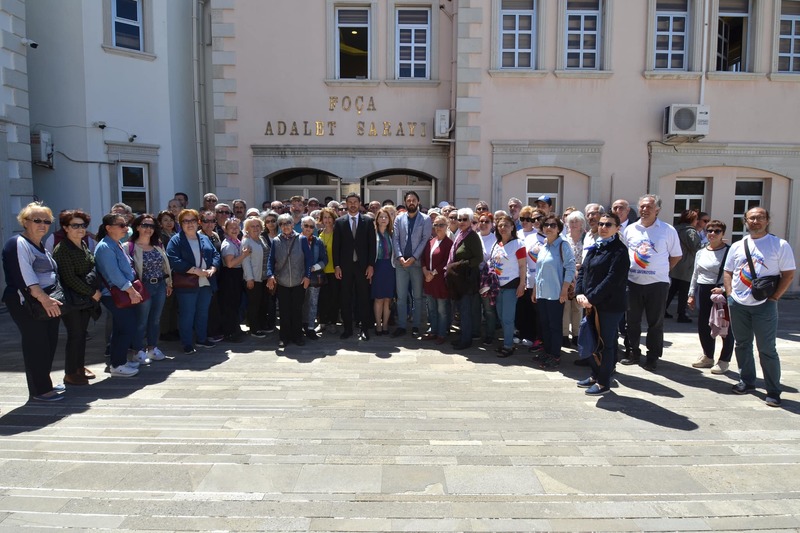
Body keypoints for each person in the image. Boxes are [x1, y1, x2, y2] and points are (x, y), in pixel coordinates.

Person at [723, 207, 795, 408]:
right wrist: (730, 295)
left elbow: (789, 274)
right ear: (745, 221)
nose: (756, 221)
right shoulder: (738, 246)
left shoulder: (779, 245)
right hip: (738, 304)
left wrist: (774, 298)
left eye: (760, 218)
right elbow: (728, 271)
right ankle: (747, 381)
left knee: (767, 349)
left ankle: (773, 391)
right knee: (742, 344)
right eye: (752, 218)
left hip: (764, 305)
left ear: (767, 220)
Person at [2, 202, 66, 400]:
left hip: (46, 301)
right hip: (28, 302)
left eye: (47, 221)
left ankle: (44, 382)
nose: (42, 225)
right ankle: (40, 389)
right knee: (36, 344)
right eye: (37, 220)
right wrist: (44, 299)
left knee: (48, 342)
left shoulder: (40, 245)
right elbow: (24, 275)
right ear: (25, 222)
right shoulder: (17, 243)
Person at [620, 194, 682, 372]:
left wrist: (663, 269)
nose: (645, 210)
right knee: (632, 321)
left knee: (655, 323)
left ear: (657, 210)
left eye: (649, 206)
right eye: (642, 206)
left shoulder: (667, 230)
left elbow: (676, 255)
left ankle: (652, 357)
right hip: (633, 282)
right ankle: (633, 352)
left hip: (657, 284)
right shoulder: (630, 229)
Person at [575, 213, 630, 395]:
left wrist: (591, 298)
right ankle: (595, 374)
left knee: (606, 344)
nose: (603, 228)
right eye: (601, 224)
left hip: (609, 306)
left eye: (608, 224)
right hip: (590, 304)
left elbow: (612, 280)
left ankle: (603, 382)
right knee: (590, 340)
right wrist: (579, 293)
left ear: (617, 228)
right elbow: (583, 271)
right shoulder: (595, 247)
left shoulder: (619, 251)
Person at [52, 209, 101, 386]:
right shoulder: (62, 249)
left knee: (81, 335)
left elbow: (91, 266)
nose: (80, 229)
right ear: (65, 228)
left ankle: (79, 367)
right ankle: (70, 373)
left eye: (83, 225)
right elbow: (69, 278)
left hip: (84, 300)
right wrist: (92, 293)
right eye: (75, 225)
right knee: (75, 335)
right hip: (72, 299)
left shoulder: (83, 244)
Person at [94, 213, 144, 377]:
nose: (126, 228)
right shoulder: (105, 247)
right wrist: (132, 291)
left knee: (120, 328)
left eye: (126, 224)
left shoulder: (117, 244)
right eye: (121, 225)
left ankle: (119, 360)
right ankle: (118, 365)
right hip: (115, 294)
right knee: (127, 327)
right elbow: (114, 274)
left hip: (122, 292)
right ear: (109, 228)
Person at [166, 209, 221, 355]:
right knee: (187, 314)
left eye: (192, 221)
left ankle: (201, 339)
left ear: (198, 223)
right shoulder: (176, 240)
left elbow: (215, 254)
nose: (189, 224)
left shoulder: (204, 238)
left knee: (203, 313)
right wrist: (195, 270)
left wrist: (213, 268)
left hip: (206, 282)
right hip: (187, 283)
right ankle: (187, 343)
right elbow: (173, 259)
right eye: (185, 221)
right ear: (180, 224)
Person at [687, 219, 734, 374]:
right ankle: (708, 356)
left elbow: (734, 274)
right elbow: (695, 274)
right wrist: (691, 294)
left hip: (720, 292)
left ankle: (724, 360)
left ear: (723, 234)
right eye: (709, 230)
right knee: (704, 325)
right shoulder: (701, 251)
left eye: (717, 231)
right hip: (703, 290)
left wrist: (724, 289)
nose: (712, 233)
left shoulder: (729, 252)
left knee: (724, 327)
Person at [533, 214, 576, 369]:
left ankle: (555, 355)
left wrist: (564, 290)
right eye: (546, 225)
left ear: (559, 229)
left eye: (553, 225)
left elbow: (570, 268)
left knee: (554, 326)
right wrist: (535, 290)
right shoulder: (544, 246)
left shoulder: (563, 245)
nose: (549, 228)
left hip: (556, 293)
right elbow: (539, 271)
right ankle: (547, 351)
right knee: (544, 325)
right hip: (542, 293)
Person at [129, 214, 172, 363]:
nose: (149, 229)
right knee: (141, 320)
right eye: (145, 225)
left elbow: (165, 266)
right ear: (137, 227)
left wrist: (168, 283)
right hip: (143, 286)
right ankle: (138, 350)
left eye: (152, 226)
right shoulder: (130, 246)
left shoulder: (158, 245)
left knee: (155, 319)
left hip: (160, 285)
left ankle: (152, 348)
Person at [333, 193, 376, 340]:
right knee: (345, 298)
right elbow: (336, 246)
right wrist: (337, 266)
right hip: (345, 267)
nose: (352, 204)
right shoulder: (339, 222)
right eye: (350, 202)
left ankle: (364, 328)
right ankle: (347, 329)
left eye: (355, 202)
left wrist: (371, 265)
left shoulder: (368, 221)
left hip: (362, 267)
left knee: (363, 298)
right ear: (346, 204)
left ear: (359, 204)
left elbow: (372, 245)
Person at [267, 213, 310, 348]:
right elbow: (271, 260)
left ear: (293, 224)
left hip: (299, 281)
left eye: (287, 223)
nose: (285, 226)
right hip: (282, 281)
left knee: (297, 310)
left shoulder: (302, 239)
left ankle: (298, 336)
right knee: (284, 311)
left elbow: (308, 259)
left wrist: (307, 276)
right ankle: (284, 337)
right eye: (282, 224)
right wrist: (270, 275)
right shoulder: (276, 241)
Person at [392, 191, 431, 337]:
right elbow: (395, 239)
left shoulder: (425, 219)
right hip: (401, 263)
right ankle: (402, 326)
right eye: (408, 200)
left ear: (418, 201)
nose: (411, 202)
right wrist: (400, 257)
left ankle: (416, 326)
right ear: (405, 202)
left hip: (417, 263)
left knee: (418, 297)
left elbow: (425, 239)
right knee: (401, 297)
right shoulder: (399, 218)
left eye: (414, 200)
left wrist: (414, 258)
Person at [488, 214, 527, 357]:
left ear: (512, 227)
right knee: (500, 316)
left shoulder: (519, 244)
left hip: (511, 285)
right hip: (497, 286)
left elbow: (522, 266)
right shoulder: (496, 244)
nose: (503, 228)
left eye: (506, 225)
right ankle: (507, 341)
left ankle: (508, 346)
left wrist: (522, 284)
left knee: (507, 318)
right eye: (500, 226)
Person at [445, 208, 483, 350]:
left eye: (464, 219)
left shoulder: (472, 236)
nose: (461, 222)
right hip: (458, 278)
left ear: (471, 221)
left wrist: (461, 265)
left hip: (467, 278)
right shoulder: (460, 235)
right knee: (461, 309)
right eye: (459, 219)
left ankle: (466, 340)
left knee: (466, 310)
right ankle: (463, 336)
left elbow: (478, 258)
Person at [665, 209, 702, 323]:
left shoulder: (674, 229)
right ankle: (681, 314)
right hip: (687, 264)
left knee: (673, 289)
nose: (697, 221)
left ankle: (663, 309)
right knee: (684, 290)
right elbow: (696, 247)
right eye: (696, 219)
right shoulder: (690, 231)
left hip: (675, 262)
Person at [421, 215, 453, 344]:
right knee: (432, 309)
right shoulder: (431, 241)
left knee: (441, 310)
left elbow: (446, 262)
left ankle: (441, 333)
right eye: (436, 225)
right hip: (429, 280)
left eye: (441, 225)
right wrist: (425, 272)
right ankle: (433, 331)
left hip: (440, 281)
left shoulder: (449, 243)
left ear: (447, 226)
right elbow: (423, 258)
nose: (438, 228)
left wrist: (432, 273)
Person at [219, 218, 250, 341]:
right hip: (230, 276)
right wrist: (244, 255)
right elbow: (230, 263)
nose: (234, 229)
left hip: (237, 275)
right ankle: (229, 333)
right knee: (230, 305)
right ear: (225, 230)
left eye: (236, 227)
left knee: (236, 304)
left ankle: (235, 329)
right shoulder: (227, 244)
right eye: (231, 227)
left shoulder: (237, 241)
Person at [241, 216, 270, 337]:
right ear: (247, 228)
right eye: (252, 226)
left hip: (264, 277)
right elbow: (245, 261)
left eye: (258, 226)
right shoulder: (246, 241)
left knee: (262, 303)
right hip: (253, 278)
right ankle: (254, 328)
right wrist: (249, 278)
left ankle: (261, 324)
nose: (255, 228)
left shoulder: (262, 239)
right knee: (254, 304)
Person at [198, 210, 225, 342]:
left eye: (212, 221)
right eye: (206, 221)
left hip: (217, 273)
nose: (209, 224)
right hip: (204, 274)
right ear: (200, 222)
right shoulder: (198, 236)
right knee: (207, 306)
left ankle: (215, 330)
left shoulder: (215, 235)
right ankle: (208, 333)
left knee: (215, 304)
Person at [562, 210, 587, 347]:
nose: (574, 224)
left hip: (581, 276)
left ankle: (577, 334)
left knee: (577, 307)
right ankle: (564, 335)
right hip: (566, 276)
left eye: (577, 221)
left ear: (582, 223)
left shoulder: (586, 238)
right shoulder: (564, 239)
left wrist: (580, 267)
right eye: (571, 221)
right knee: (565, 307)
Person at [300, 215, 327, 338]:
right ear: (301, 226)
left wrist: (314, 267)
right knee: (299, 303)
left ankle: (310, 328)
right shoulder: (295, 240)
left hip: (314, 277)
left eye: (311, 226)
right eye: (306, 226)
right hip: (298, 277)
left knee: (312, 303)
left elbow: (324, 259)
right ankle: (299, 326)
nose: (308, 228)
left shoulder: (318, 242)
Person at [371, 207, 396, 335]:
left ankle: (385, 325)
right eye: (381, 217)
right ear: (377, 219)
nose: (384, 219)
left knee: (388, 299)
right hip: (377, 267)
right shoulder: (372, 234)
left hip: (390, 268)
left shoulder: (392, 234)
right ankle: (378, 325)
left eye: (386, 217)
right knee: (378, 298)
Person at [316, 207, 339, 334]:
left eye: (329, 217)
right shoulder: (319, 233)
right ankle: (322, 322)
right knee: (322, 298)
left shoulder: (338, 233)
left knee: (334, 298)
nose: (327, 220)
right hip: (321, 272)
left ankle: (333, 322)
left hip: (334, 271)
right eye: (325, 217)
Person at [477, 211, 497, 345]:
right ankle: (476, 332)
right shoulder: (474, 236)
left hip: (488, 279)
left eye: (487, 222)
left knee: (488, 308)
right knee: (475, 307)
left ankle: (490, 334)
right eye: (481, 221)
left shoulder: (495, 239)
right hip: (474, 276)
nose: (483, 224)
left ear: (492, 224)